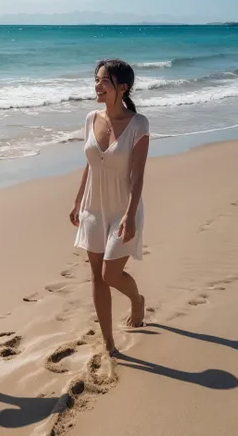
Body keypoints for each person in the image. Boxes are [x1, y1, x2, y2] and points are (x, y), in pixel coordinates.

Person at [70, 59, 149, 356]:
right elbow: (90, 165)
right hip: (93, 207)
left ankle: (136, 300)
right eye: (97, 79)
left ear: (123, 87)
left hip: (122, 208)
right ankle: (108, 342)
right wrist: (78, 202)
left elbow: (138, 174)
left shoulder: (138, 124)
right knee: (96, 276)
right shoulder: (91, 118)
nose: (97, 85)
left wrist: (130, 214)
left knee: (110, 275)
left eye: (104, 81)